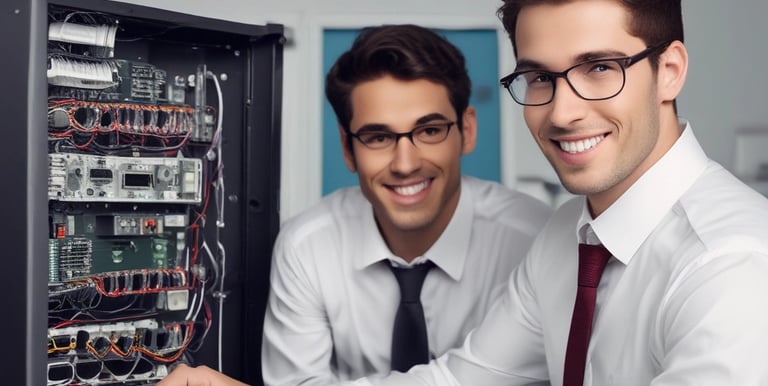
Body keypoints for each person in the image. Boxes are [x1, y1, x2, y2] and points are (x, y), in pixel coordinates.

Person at [347, 0, 768, 385]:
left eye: (600, 67)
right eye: (541, 77)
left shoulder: (731, 267)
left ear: (670, 72)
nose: (563, 114)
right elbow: (462, 379)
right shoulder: (567, 233)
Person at [156, 24, 552, 386]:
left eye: (429, 130)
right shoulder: (307, 245)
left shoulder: (535, 241)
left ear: (466, 130)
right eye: (378, 137)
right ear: (348, 148)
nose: (405, 164)